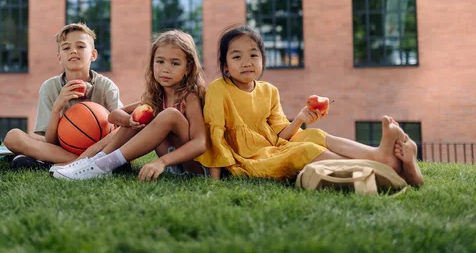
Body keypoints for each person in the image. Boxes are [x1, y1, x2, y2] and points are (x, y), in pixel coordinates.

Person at [196, 25, 424, 186]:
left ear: (263, 60)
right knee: (306, 149)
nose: (247, 62)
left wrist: (301, 119)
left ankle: (378, 155)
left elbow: (281, 135)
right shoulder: (219, 89)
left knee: (313, 134)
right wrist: (216, 180)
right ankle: (383, 167)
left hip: (275, 147)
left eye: (253, 55)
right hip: (249, 161)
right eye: (236, 57)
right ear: (225, 66)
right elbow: (214, 135)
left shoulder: (269, 91)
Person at [53, 30, 206, 181]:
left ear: (188, 68)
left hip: (193, 165)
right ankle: (97, 162)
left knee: (170, 114)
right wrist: (129, 121)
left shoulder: (190, 97)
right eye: (160, 61)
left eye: (175, 63)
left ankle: (104, 165)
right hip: (174, 163)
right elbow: (113, 116)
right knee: (140, 116)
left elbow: (200, 143)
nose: (165, 69)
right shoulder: (157, 98)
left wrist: (162, 162)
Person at [3, 23, 123, 170]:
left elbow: (123, 129)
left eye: (80, 46)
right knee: (13, 136)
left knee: (122, 137)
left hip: (98, 147)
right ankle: (80, 163)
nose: (73, 51)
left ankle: (54, 163)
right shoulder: (49, 87)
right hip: (62, 148)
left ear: (93, 55)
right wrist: (57, 107)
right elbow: (50, 141)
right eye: (66, 48)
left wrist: (92, 150)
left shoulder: (106, 86)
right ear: (59, 57)